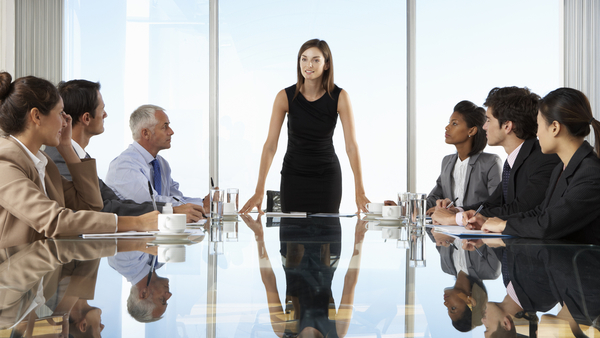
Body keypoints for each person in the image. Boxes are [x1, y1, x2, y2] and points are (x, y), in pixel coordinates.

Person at [0, 72, 158, 248]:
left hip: (42, 270)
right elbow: (54, 221)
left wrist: (67, 148)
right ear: (37, 116)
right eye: (60, 113)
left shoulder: (43, 162)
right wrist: (136, 223)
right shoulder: (4, 164)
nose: (65, 122)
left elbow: (90, 206)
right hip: (12, 271)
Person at [240, 39, 370, 214]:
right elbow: (270, 146)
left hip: (327, 178)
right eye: (304, 59)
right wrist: (259, 190)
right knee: (292, 237)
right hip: (293, 177)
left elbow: (351, 147)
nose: (309, 64)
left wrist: (360, 192)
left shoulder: (340, 97)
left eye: (316, 60)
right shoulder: (284, 97)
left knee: (327, 237)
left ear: (326, 64)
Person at [45, 80, 205, 222]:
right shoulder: (60, 158)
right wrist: (170, 212)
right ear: (87, 118)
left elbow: (115, 202)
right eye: (102, 109)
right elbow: (99, 209)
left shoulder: (81, 156)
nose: (106, 114)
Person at [467, 88, 600, 243]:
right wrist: (488, 220)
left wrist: (504, 225)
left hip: (584, 265)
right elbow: (539, 212)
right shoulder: (561, 168)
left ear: (555, 128)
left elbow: (548, 225)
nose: (536, 133)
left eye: (538, 125)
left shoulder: (591, 172)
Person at [432, 86, 560, 226]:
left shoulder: (544, 158)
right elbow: (491, 204)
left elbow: (520, 209)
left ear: (507, 126)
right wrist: (456, 210)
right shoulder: (514, 160)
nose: (484, 127)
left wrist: (457, 219)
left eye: (488, 120)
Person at [105, 104, 208, 212]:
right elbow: (152, 203)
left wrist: (203, 203)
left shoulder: (161, 163)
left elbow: (178, 199)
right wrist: (202, 205)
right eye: (165, 126)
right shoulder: (124, 165)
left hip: (159, 227)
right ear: (146, 133)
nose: (171, 132)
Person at [426, 100, 502, 214]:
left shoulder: (491, 162)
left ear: (471, 130)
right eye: (449, 123)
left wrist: (457, 213)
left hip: (477, 229)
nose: (447, 127)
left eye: (454, 123)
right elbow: (434, 198)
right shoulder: (447, 161)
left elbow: (496, 204)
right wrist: (403, 208)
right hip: (450, 229)